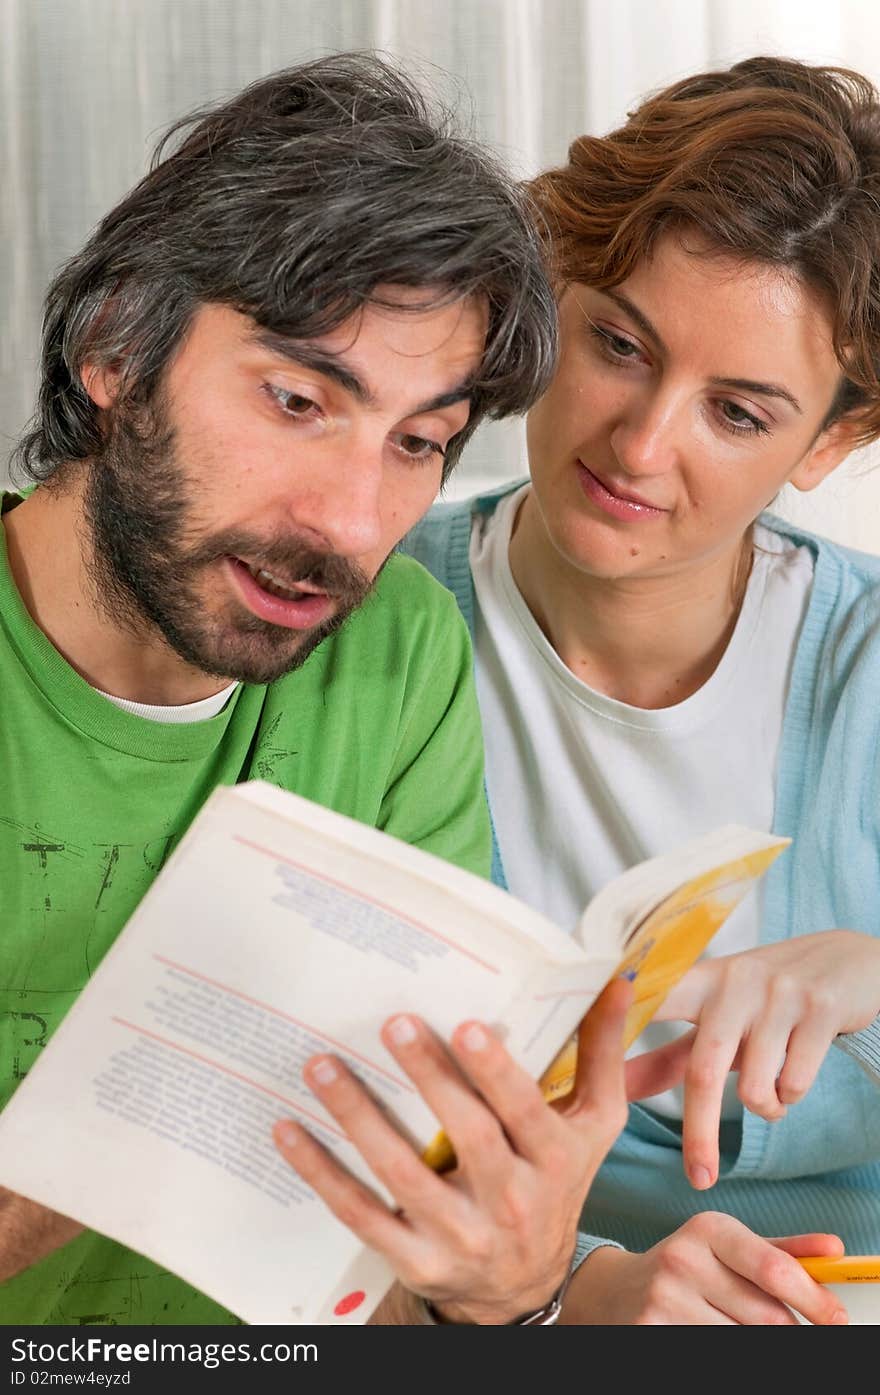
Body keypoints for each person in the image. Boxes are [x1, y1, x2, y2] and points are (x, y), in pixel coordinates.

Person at [0, 52, 630, 1328]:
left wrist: (502, 1298)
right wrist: (120, 1129)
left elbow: (371, 1272)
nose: (350, 525)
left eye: (418, 444)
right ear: (116, 348)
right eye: (297, 400)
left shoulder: (396, 650)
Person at [402, 55, 880, 1324]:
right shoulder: (357, 621)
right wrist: (578, 1299)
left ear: (828, 441)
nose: (639, 444)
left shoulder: (867, 668)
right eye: (618, 343)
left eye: (736, 412)